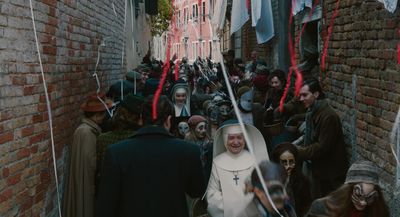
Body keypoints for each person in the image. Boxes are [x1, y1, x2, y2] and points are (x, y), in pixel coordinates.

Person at [95, 95, 206, 217]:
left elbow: (105, 205)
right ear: (168, 120)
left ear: (141, 119)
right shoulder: (189, 151)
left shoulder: (115, 152)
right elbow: (196, 191)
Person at [297, 78, 348, 199]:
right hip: (321, 171)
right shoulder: (313, 112)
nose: (301, 99)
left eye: (304, 95)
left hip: (331, 174)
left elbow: (322, 147)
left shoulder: (328, 116)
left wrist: (298, 151)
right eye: (300, 95)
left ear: (316, 94)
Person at [62, 93, 112, 217]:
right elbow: (90, 164)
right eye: (103, 114)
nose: (105, 117)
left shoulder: (86, 130)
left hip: (83, 181)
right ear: (96, 116)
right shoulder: (86, 132)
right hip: (86, 184)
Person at [206, 120, 269, 217]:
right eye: (231, 138)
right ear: (224, 139)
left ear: (245, 138)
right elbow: (212, 194)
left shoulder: (254, 160)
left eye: (240, 137)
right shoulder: (217, 162)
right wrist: (232, 208)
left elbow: (264, 189)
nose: (236, 142)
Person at [305, 160, 390, 217]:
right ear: (348, 189)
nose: (363, 202)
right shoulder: (322, 208)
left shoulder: (378, 210)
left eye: (369, 197)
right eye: (359, 195)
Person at [95, 94, 144, 188]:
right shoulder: (141, 140)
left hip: (109, 189)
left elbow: (100, 169)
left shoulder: (102, 139)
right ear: (138, 118)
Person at [271, 142, 312, 217]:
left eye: (291, 162)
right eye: (284, 162)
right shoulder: (270, 182)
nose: (288, 166)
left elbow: (307, 206)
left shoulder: (302, 181)